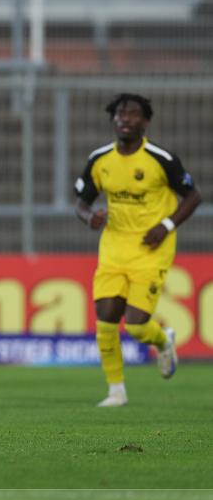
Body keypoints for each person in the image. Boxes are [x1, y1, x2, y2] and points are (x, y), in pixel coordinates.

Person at [75, 93, 201, 407]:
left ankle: (163, 339)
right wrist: (91, 217)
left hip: (151, 249)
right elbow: (80, 202)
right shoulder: (100, 160)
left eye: (132, 114)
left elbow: (192, 196)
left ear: (145, 121)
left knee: (136, 325)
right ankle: (116, 391)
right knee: (105, 322)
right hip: (114, 248)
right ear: (113, 120)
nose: (125, 119)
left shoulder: (161, 159)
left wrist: (167, 226)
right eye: (120, 114)